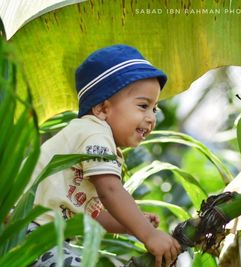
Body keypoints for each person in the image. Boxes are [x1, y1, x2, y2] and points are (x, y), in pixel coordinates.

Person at [27, 44, 181, 267]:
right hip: (27, 232)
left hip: (43, 236)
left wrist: (131, 224)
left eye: (154, 109)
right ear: (102, 108)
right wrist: (148, 234)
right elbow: (110, 191)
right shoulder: (94, 132)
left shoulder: (95, 143)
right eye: (143, 105)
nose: (151, 118)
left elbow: (92, 216)